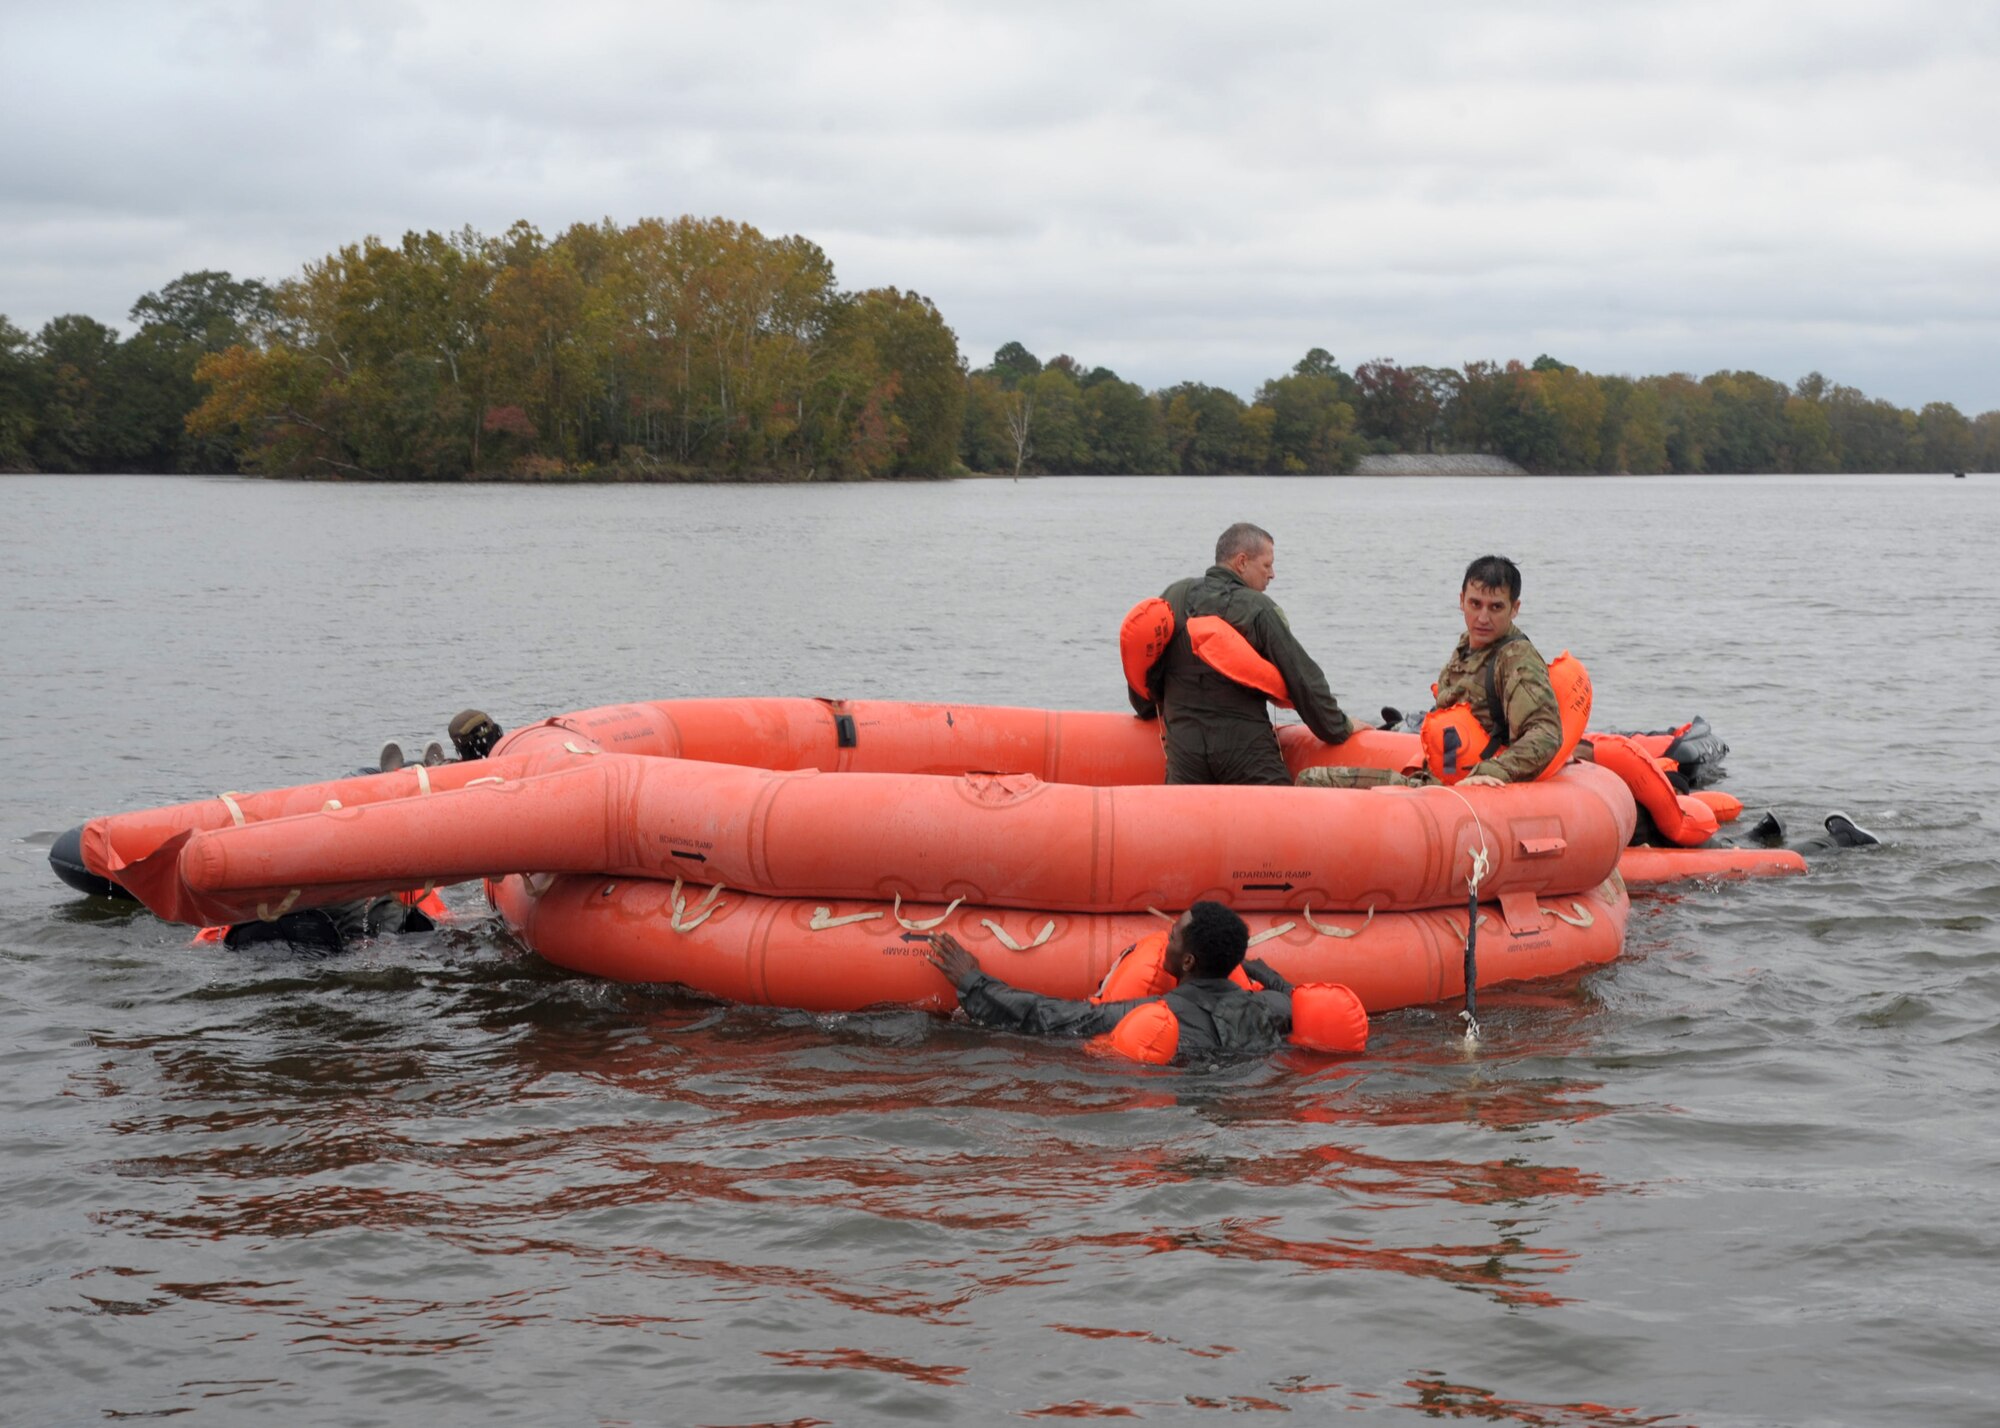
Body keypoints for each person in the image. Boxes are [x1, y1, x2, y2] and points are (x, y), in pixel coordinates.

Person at [1299, 554, 1565, 790]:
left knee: (1312, 780)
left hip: (1469, 787)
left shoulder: (1516, 658)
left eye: (1495, 607)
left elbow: (1545, 733)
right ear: (1462, 601)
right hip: (1439, 780)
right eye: (1475, 604)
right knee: (1310, 778)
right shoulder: (1467, 647)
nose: (1483, 617)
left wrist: (1493, 771)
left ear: (1514, 609)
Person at [1131, 522, 1360, 785]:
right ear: (1242, 562)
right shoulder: (1258, 608)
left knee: (1181, 819)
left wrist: (1146, 711)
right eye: (1266, 565)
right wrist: (1339, 727)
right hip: (1244, 750)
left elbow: (1146, 665)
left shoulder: (1174, 596)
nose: (1272, 574)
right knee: (1286, 817)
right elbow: (1302, 678)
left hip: (1185, 752)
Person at [925, 901, 1297, 1061]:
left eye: (1172, 937)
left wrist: (971, 980)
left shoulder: (1155, 1013)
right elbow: (1291, 993)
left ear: (1187, 961)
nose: (1163, 943)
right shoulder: (1274, 1008)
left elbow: (1051, 1017)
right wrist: (1258, 969)